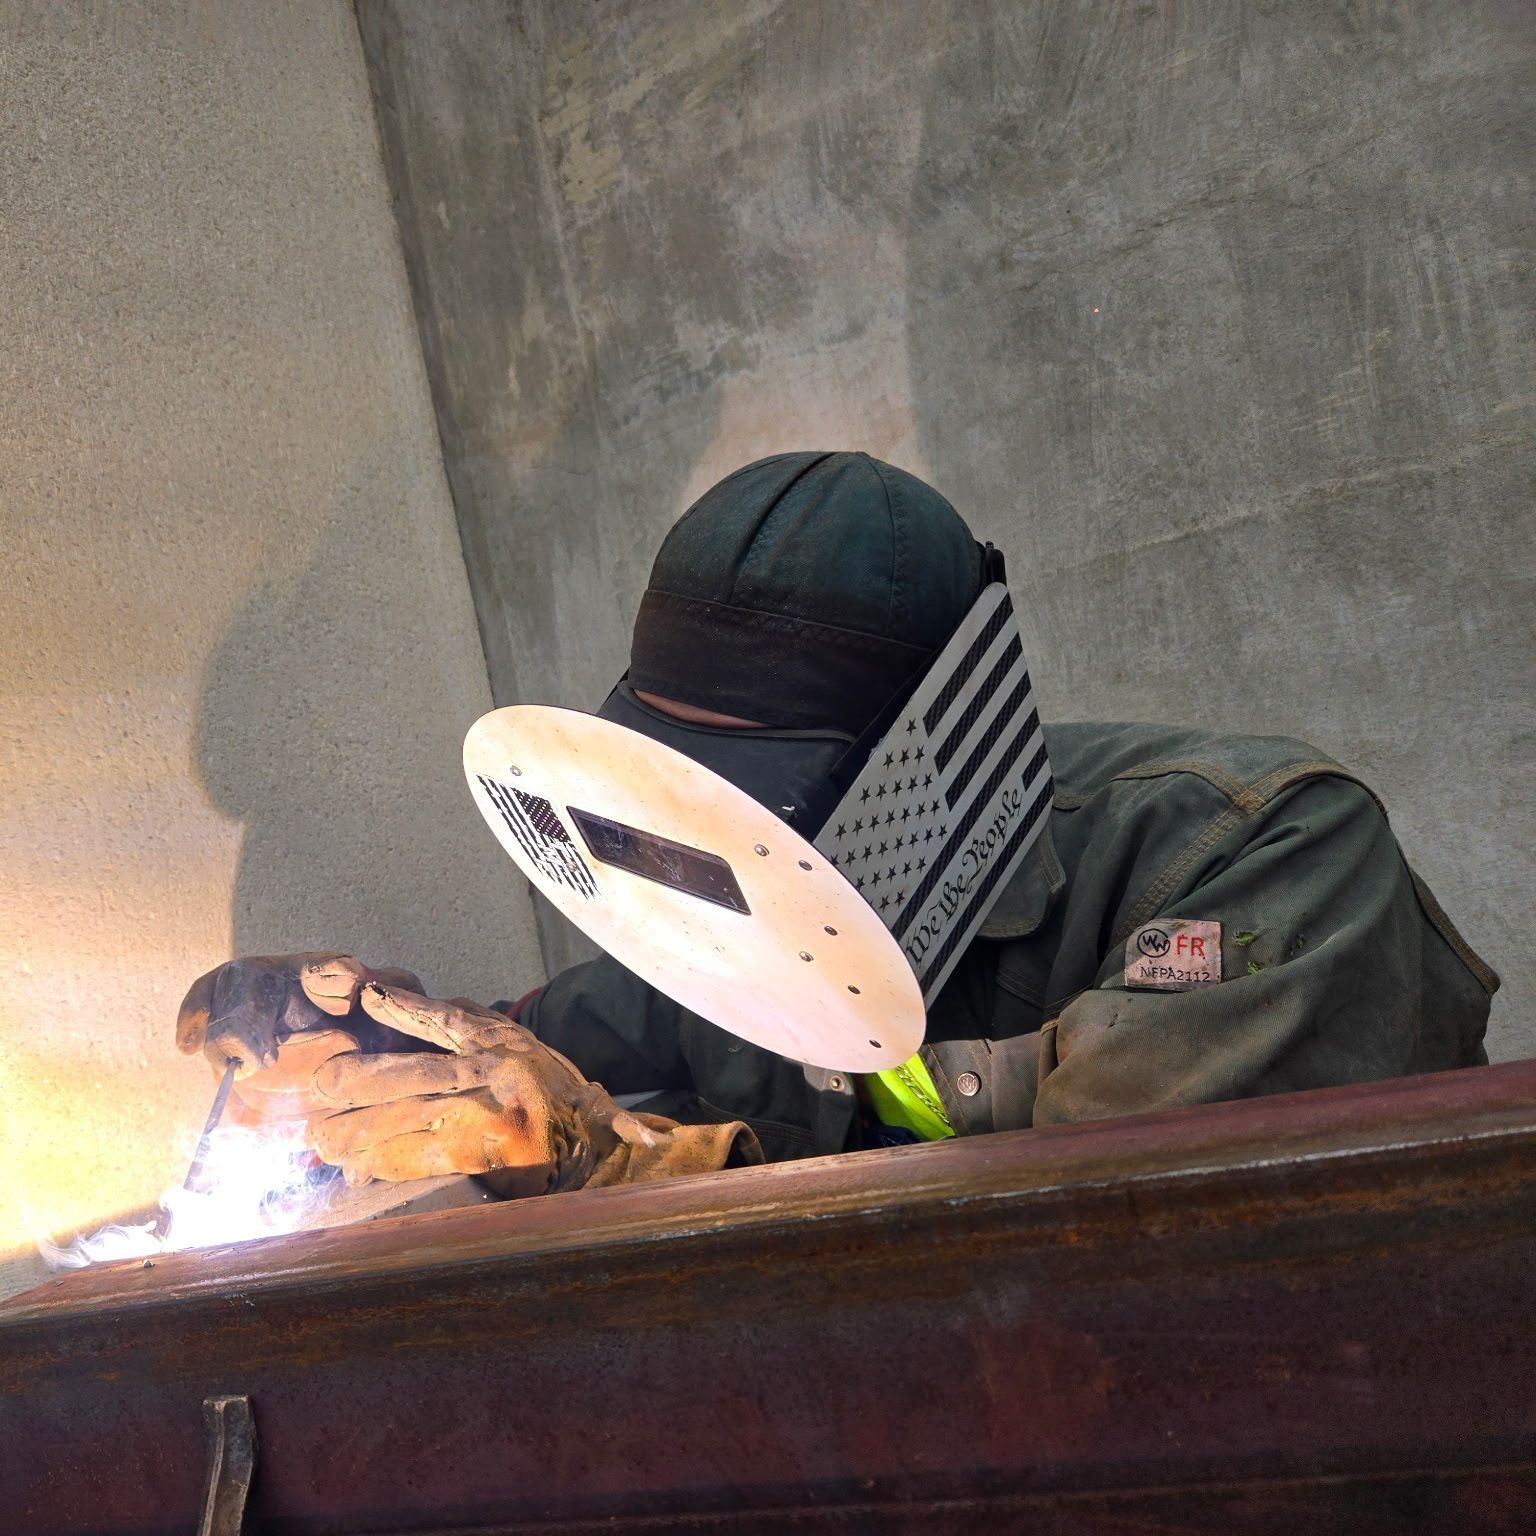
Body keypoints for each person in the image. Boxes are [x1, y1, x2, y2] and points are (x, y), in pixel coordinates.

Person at [177, 452, 1496, 1192]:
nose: (714, 862)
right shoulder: (721, 909)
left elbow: (1077, 1252)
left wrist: (615, 1169)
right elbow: (566, 1034)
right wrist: (365, 1028)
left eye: (753, 804)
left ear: (919, 760)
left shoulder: (1257, 858)